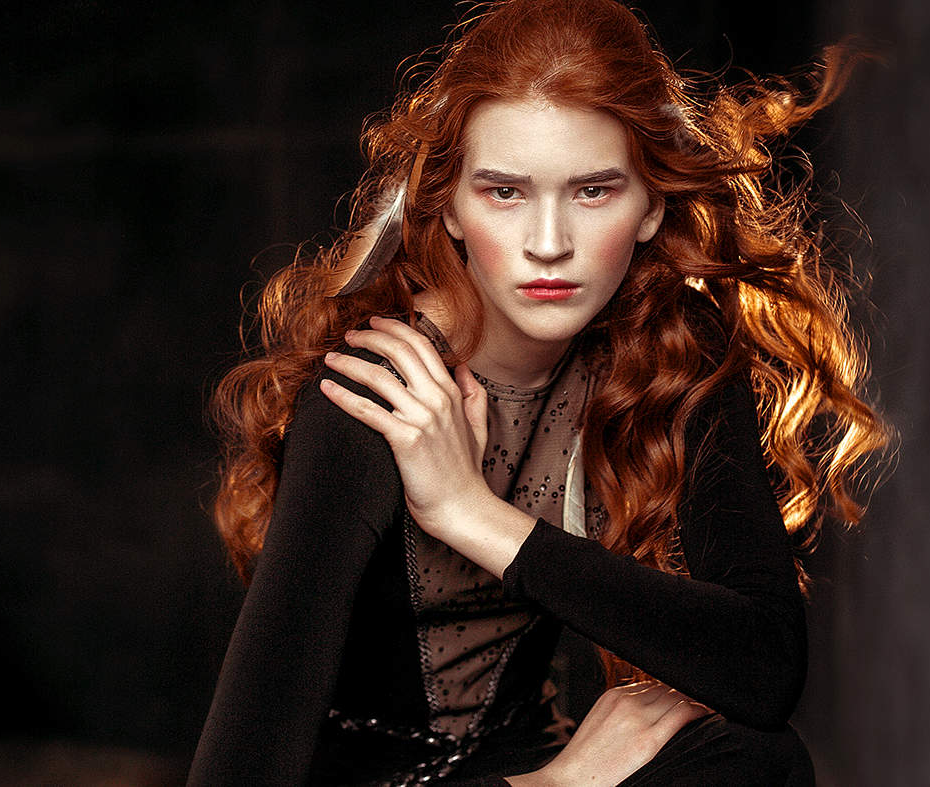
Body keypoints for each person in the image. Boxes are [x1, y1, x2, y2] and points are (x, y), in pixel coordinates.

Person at [192, 0, 890, 783]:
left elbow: (764, 670)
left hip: (528, 756)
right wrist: (555, 784)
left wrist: (469, 511)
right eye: (505, 192)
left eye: (593, 191)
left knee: (759, 760)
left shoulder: (675, 352)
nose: (549, 244)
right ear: (450, 207)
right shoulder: (375, 397)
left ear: (652, 204)